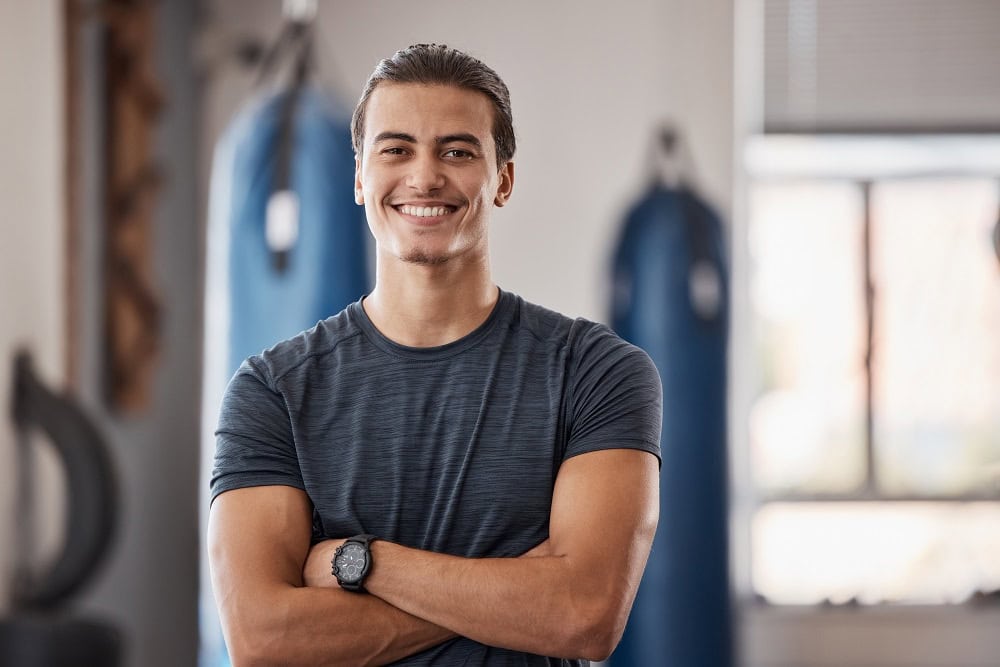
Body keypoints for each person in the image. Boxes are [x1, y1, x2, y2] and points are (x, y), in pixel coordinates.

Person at [208, 43, 662, 666]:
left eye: (457, 151)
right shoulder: (272, 390)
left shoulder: (597, 373)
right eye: (396, 149)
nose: (424, 177)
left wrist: (361, 562)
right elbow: (263, 641)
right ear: (361, 179)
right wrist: (513, 595)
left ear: (502, 179)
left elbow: (583, 615)